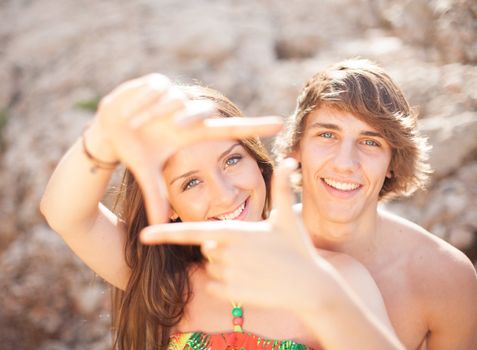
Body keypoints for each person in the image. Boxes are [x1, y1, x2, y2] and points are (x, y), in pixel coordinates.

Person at [40, 75, 402, 349]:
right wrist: (103, 137)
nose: (224, 192)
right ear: (168, 207)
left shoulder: (341, 278)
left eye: (231, 160)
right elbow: (64, 214)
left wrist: (322, 296)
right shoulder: (164, 283)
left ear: (258, 165)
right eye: (190, 183)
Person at [143, 59, 477, 350]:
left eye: (370, 141)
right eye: (327, 135)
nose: (345, 163)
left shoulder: (446, 277)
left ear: (393, 162)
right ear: (296, 148)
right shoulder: (248, 237)